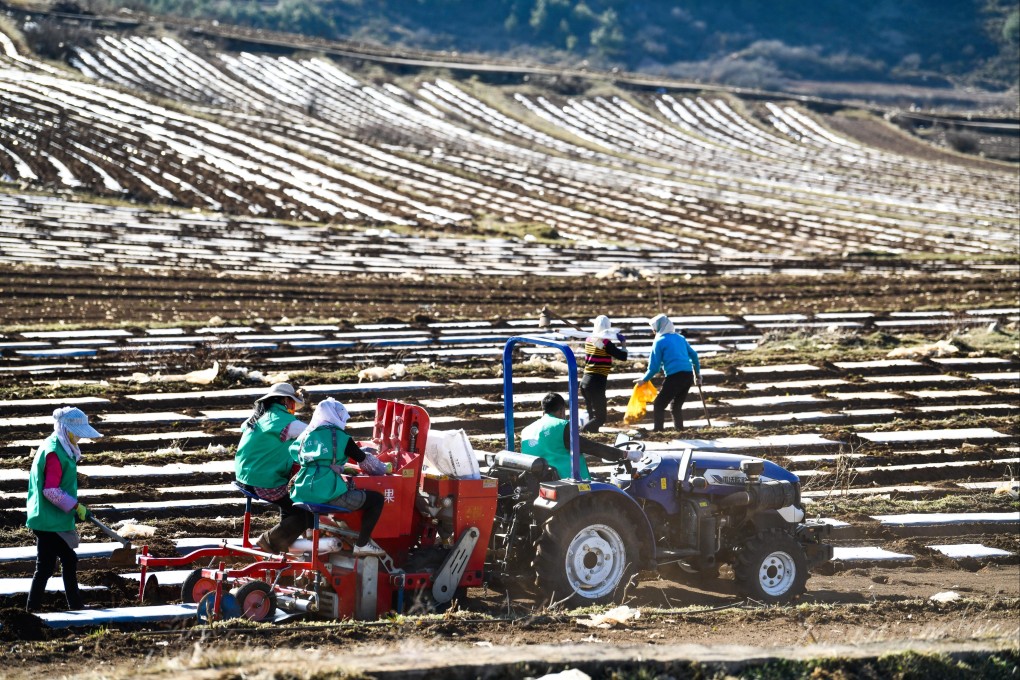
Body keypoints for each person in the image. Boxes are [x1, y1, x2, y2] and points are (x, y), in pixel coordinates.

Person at [25, 407, 103, 612]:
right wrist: (76, 507)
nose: (80, 437)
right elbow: (50, 490)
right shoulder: (54, 452)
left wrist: (74, 507)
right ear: (64, 428)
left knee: (45, 567)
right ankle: (75, 605)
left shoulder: (61, 446)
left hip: (48, 517)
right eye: (76, 433)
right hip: (48, 519)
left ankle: (32, 608)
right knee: (68, 559)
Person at [289, 398, 388, 556]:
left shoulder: (306, 434)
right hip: (327, 492)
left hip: (303, 489)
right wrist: (383, 469)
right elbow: (367, 462)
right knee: (376, 499)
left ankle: (310, 537)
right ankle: (362, 544)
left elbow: (295, 453)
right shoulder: (339, 436)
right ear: (335, 416)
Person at [235, 382, 310, 553]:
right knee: (306, 511)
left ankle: (283, 544)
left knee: (291, 500)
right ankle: (270, 541)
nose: (293, 408)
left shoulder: (259, 417)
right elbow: (315, 435)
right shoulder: (285, 422)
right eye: (292, 403)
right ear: (285, 401)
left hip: (245, 475)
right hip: (262, 479)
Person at [521, 393, 641, 479]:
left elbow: (553, 449)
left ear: (543, 411)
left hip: (539, 481)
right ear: (562, 410)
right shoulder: (561, 426)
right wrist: (624, 454)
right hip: (564, 481)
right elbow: (591, 447)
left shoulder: (526, 430)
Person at [635, 313, 701, 432]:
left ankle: (658, 431)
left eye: (654, 329)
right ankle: (680, 431)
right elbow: (694, 355)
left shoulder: (659, 341)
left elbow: (654, 368)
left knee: (659, 405)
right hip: (688, 375)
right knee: (676, 407)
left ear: (659, 327)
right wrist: (697, 374)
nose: (653, 331)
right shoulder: (680, 338)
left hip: (675, 377)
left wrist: (644, 379)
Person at [580, 315, 628, 433]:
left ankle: (590, 435)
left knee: (592, 416)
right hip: (596, 382)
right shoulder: (605, 342)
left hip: (585, 381)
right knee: (600, 418)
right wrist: (623, 343)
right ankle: (581, 433)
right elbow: (623, 356)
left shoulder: (589, 339)